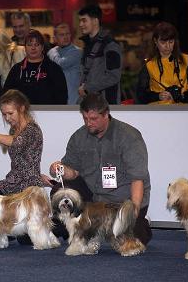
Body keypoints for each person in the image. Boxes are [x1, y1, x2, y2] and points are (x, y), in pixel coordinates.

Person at [44, 93, 152, 246]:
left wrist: (133, 212)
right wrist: (59, 169)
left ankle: (140, 223)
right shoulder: (79, 137)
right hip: (93, 201)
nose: (89, 123)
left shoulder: (129, 137)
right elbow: (73, 172)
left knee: (134, 240)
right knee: (60, 190)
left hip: (122, 202)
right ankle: (86, 229)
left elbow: (138, 178)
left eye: (93, 119)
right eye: (85, 119)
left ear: (106, 114)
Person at [0, 89, 43, 195]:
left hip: (27, 187)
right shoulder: (15, 129)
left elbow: (15, 142)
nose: (7, 118)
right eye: (4, 114)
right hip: (15, 182)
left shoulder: (32, 129)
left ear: (22, 108)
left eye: (10, 113)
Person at [136, 22, 188, 104]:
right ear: (155, 41)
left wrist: (182, 96)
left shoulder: (185, 60)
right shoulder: (149, 65)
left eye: (171, 42)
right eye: (163, 42)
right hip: (158, 111)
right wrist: (158, 96)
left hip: (183, 110)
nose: (167, 46)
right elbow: (140, 95)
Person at [3, 30, 68, 105]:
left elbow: (62, 97)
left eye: (37, 45)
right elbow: (7, 95)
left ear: (42, 47)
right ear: (25, 47)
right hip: (21, 113)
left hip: (47, 114)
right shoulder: (16, 69)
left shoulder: (53, 68)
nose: (33, 48)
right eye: (29, 45)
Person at [77, 4, 122, 104]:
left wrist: (88, 88)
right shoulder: (88, 44)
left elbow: (113, 76)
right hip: (90, 103)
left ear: (95, 21)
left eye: (84, 20)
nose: (80, 24)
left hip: (105, 105)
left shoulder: (110, 45)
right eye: (80, 21)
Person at [47, 23, 82, 104]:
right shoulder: (53, 52)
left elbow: (61, 64)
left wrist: (52, 51)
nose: (65, 37)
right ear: (55, 38)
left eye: (67, 34)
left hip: (73, 102)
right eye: (62, 35)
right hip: (56, 100)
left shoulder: (77, 52)